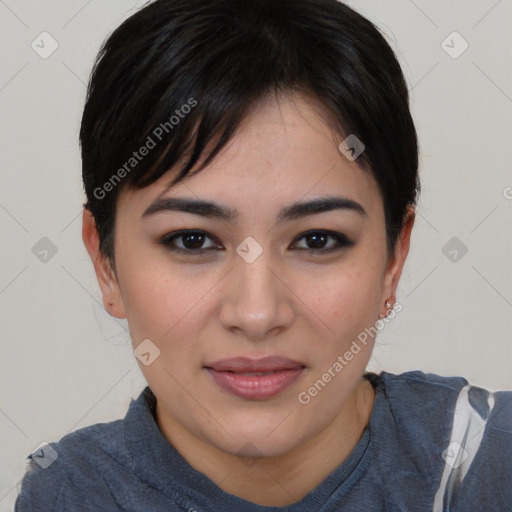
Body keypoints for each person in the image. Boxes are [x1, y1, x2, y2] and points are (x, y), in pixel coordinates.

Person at [15, 0, 512, 510]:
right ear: (106, 262)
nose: (257, 314)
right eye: (192, 240)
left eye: (317, 240)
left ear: (393, 259)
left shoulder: (490, 462)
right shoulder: (70, 494)